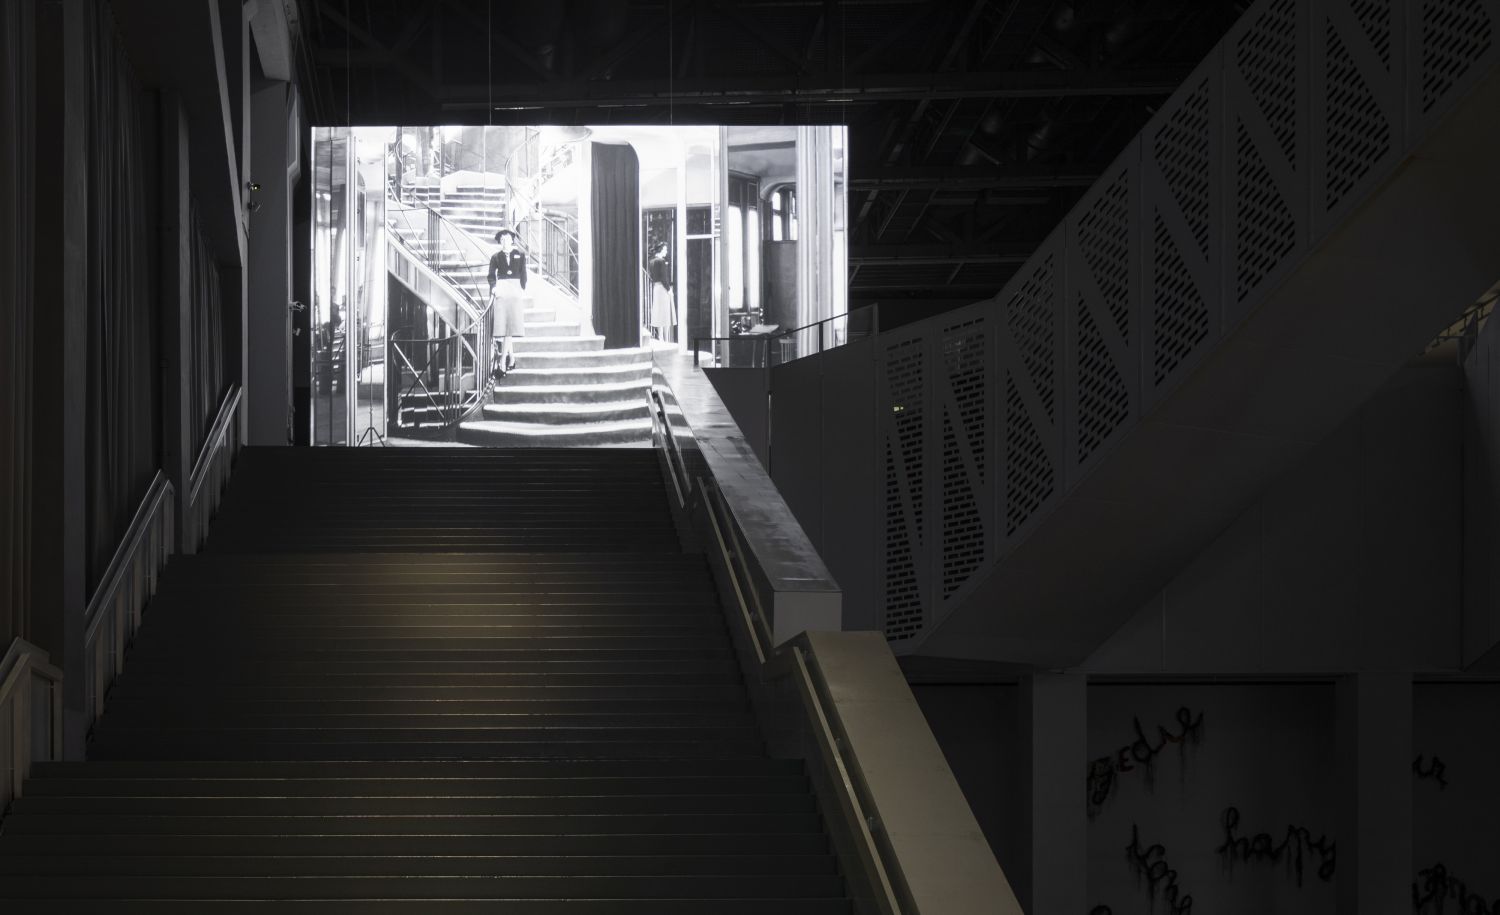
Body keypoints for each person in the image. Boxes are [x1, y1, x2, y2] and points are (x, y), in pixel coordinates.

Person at [487, 228, 527, 376]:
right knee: (505, 327)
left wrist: (522, 288)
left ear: (512, 240)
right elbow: (491, 275)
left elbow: (523, 274)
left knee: (510, 327)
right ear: (500, 242)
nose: (505, 242)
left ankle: (504, 362)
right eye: (502, 240)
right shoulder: (496, 257)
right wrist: (494, 288)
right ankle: (510, 359)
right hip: (502, 290)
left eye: (507, 239)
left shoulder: (520, 255)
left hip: (515, 290)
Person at [648, 243, 674, 342]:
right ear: (661, 250)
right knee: (666, 313)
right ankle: (666, 339)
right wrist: (669, 290)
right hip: (663, 289)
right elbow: (664, 277)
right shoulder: (661, 261)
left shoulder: (652, 261)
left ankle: (661, 338)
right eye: (665, 249)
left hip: (656, 288)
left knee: (659, 312)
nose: (666, 251)